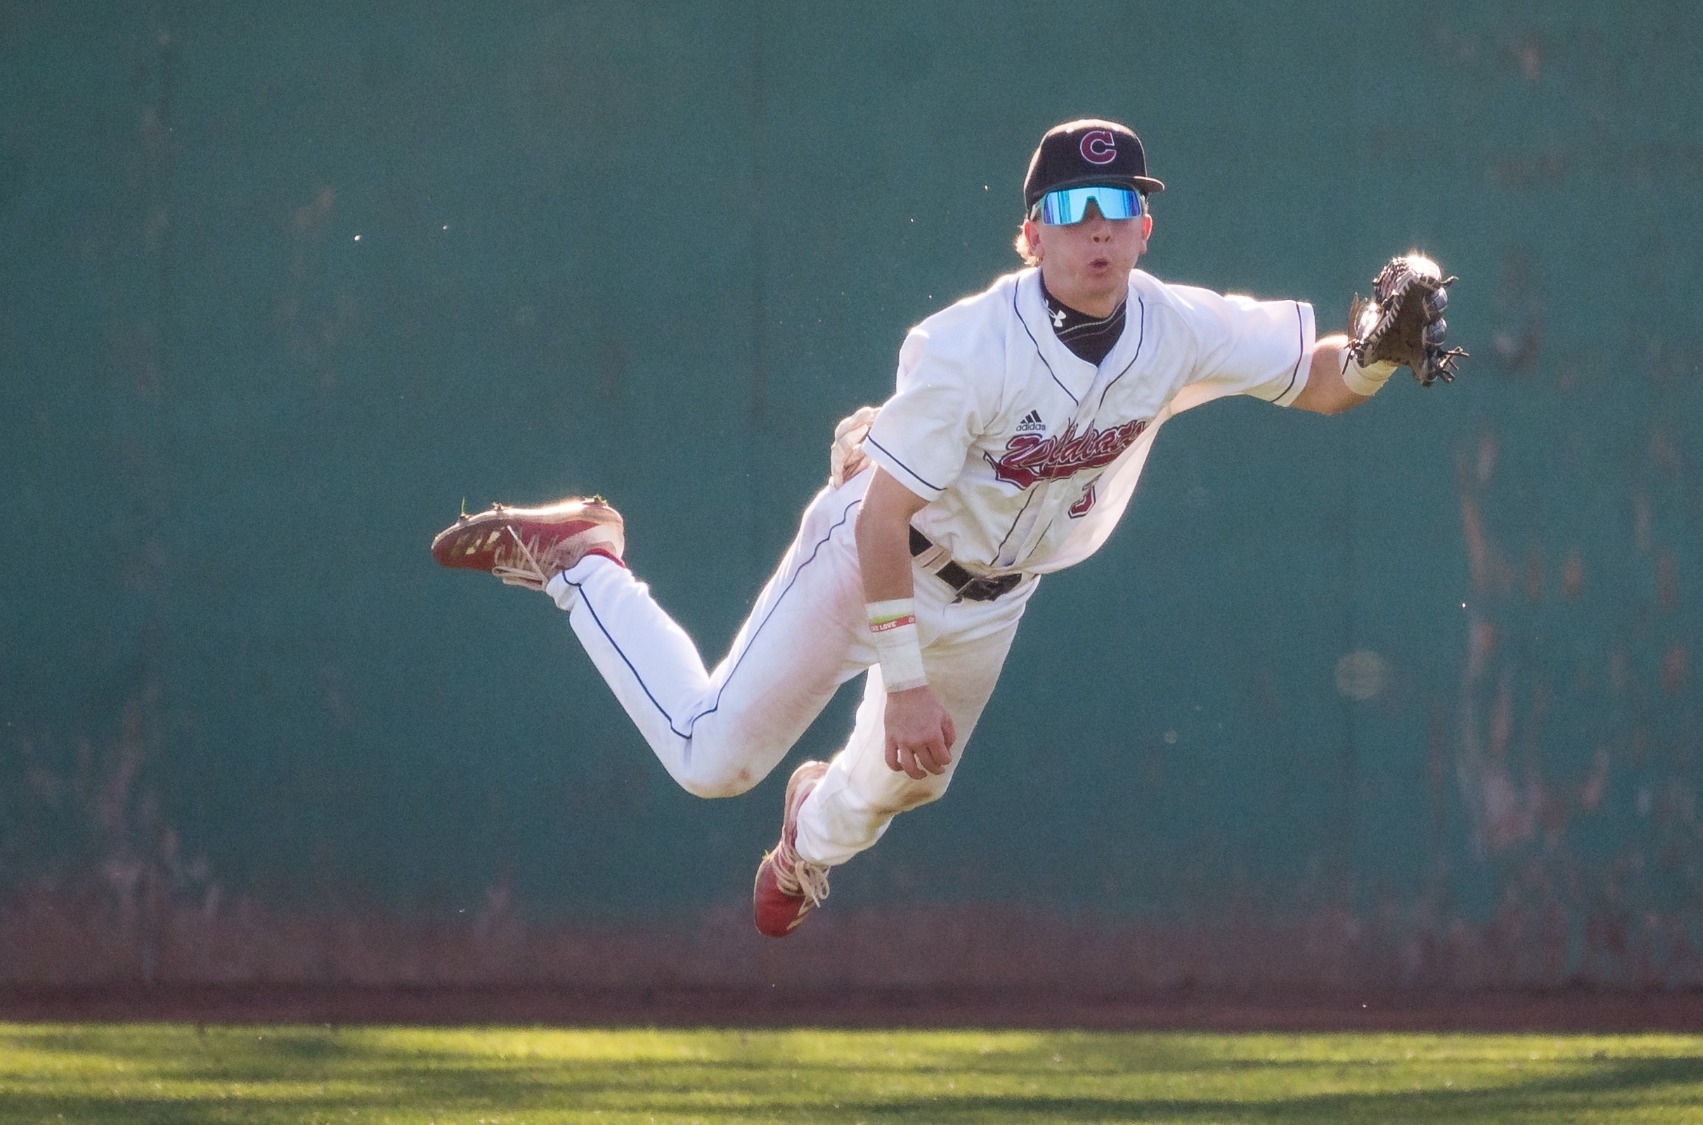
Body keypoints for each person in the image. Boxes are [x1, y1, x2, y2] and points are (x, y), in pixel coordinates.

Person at [432, 119, 1447, 937]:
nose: (1098, 229)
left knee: (898, 791)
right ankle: (582, 562)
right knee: (711, 761)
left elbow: (1314, 379)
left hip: (992, 603)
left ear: (1145, 228)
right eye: (1072, 208)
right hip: (873, 558)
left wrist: (1373, 357)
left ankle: (803, 847)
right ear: (1031, 234)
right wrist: (904, 681)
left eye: (1119, 207)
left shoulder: (1174, 327)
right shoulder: (966, 348)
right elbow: (880, 515)